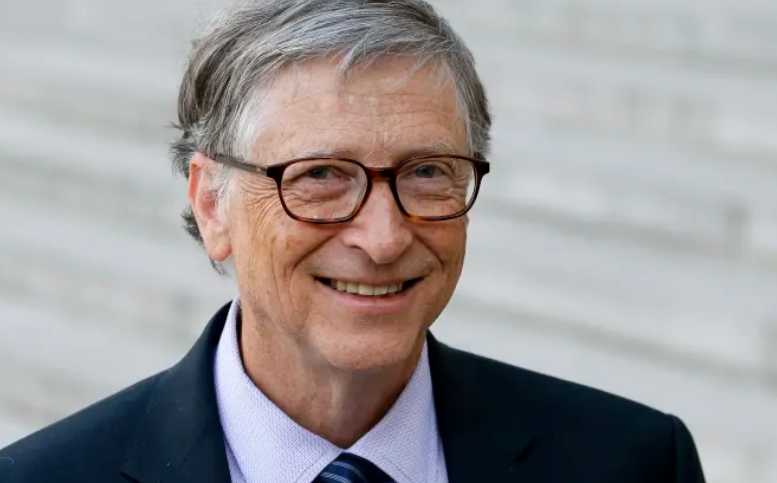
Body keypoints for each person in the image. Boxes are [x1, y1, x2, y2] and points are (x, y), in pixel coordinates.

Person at [0, 1, 706, 482]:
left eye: (426, 172)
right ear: (211, 204)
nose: (384, 237)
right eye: (320, 176)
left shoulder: (633, 462)